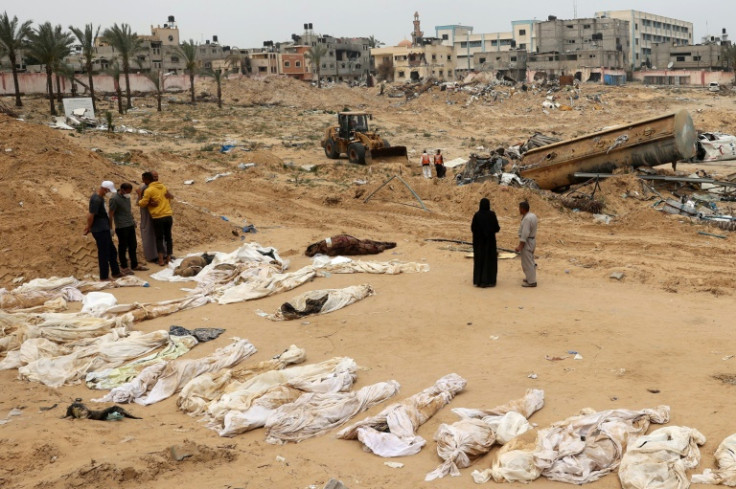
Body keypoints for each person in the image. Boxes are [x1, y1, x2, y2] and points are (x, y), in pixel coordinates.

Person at [83, 181, 122, 281]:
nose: (109, 193)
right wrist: (88, 227)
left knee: (112, 251)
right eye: (109, 191)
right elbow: (91, 215)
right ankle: (104, 276)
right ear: (105, 189)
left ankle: (116, 272)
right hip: (99, 229)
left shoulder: (100, 198)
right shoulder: (96, 199)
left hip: (104, 228)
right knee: (104, 253)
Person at [109, 182, 148, 274]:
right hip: (121, 226)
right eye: (127, 192)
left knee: (133, 245)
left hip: (129, 224)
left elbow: (128, 210)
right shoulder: (114, 199)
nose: (128, 194)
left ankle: (134, 265)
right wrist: (110, 227)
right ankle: (124, 266)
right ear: (122, 190)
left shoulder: (127, 197)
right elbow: (110, 214)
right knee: (123, 246)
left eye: (129, 192)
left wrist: (133, 219)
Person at [138, 171, 174, 266]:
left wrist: (139, 195)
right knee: (168, 238)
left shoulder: (148, 190)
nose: (156, 178)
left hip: (158, 217)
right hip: (167, 215)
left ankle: (161, 260)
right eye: (155, 176)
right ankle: (169, 258)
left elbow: (141, 203)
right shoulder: (163, 187)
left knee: (159, 238)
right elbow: (169, 199)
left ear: (147, 179)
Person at [471, 198, 501, 288]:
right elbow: (497, 228)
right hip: (490, 243)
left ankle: (479, 280)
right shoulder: (492, 215)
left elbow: (473, 228)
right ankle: (489, 280)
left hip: (479, 243)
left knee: (480, 260)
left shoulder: (477, 215)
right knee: (489, 260)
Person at [136, 172, 159, 262]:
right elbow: (139, 203)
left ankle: (162, 255)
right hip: (147, 215)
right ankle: (152, 256)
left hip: (156, 214)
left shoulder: (155, 187)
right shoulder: (143, 188)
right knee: (148, 234)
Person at [515, 201, 538, 287]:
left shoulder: (527, 219)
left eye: (520, 208)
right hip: (532, 240)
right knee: (530, 260)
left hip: (528, 242)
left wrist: (520, 246)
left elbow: (525, 233)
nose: (519, 210)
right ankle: (530, 277)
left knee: (527, 262)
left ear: (523, 209)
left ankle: (531, 281)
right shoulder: (532, 216)